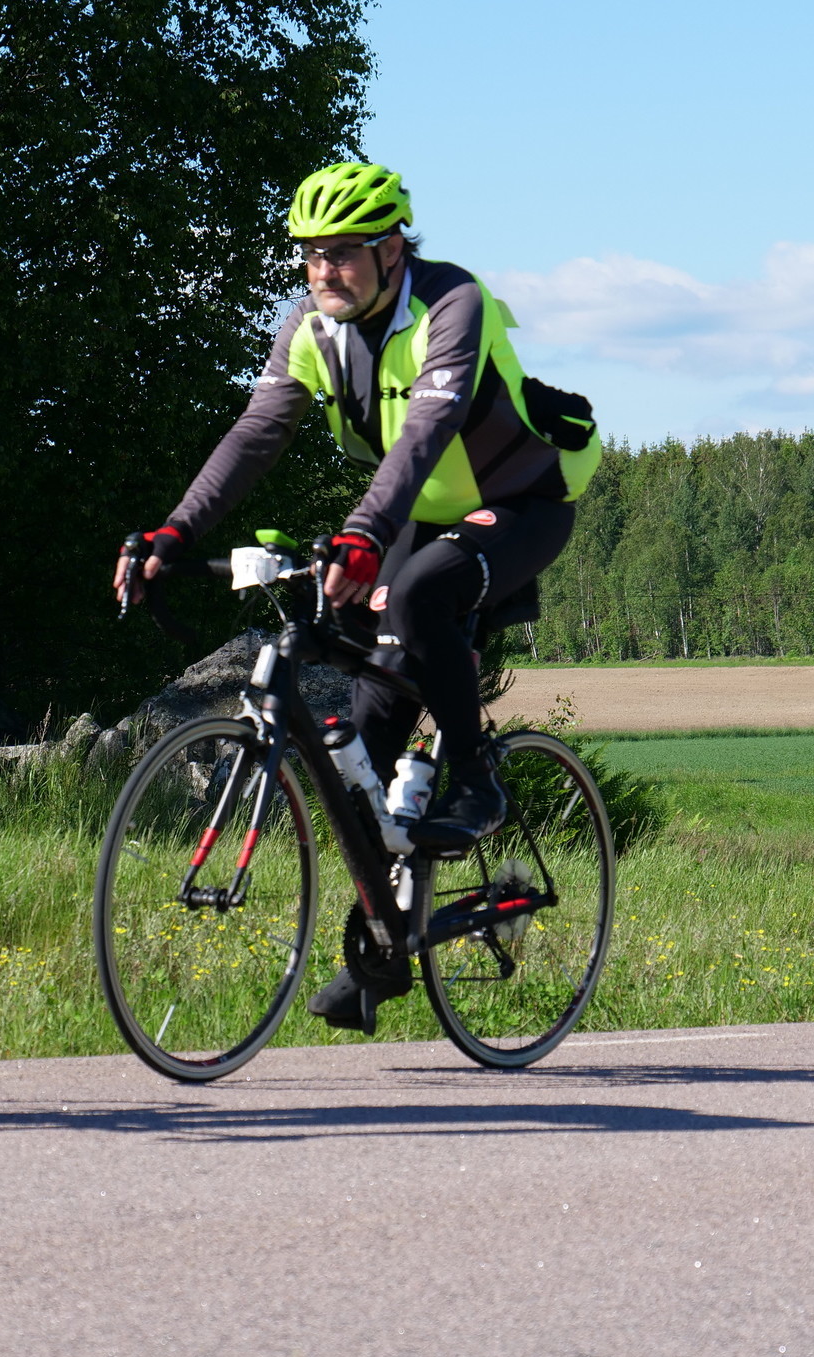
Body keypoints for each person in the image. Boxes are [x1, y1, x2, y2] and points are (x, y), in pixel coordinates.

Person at [115, 161, 600, 1030]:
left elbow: (426, 433)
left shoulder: (452, 303)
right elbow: (255, 434)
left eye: (340, 253)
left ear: (392, 248)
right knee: (363, 753)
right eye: (310, 255)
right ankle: (382, 951)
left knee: (419, 594)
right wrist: (174, 533)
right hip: (424, 511)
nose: (322, 271)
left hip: (521, 500)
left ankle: (476, 777)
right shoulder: (310, 328)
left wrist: (365, 533)